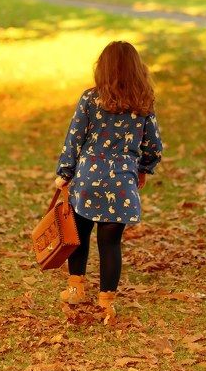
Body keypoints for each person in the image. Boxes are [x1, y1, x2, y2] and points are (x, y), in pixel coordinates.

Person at [54, 40, 164, 324]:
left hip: (88, 179)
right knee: (110, 243)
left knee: (79, 235)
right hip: (122, 184)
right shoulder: (143, 105)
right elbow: (154, 147)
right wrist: (142, 168)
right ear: (137, 71)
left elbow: (74, 139)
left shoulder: (90, 99)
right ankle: (107, 303)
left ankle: (76, 287)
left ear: (101, 69)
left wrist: (64, 173)